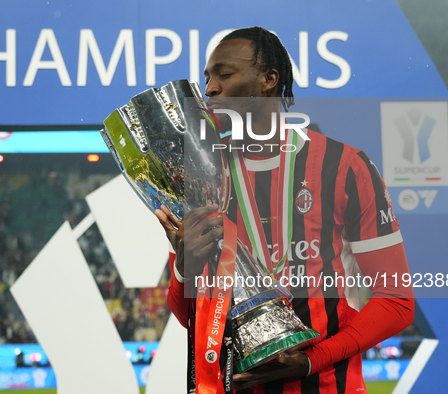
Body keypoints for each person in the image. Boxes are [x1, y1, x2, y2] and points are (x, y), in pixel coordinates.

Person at [156, 26, 414, 393]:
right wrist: (185, 266)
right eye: (207, 78)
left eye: (224, 74)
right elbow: (190, 319)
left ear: (268, 80)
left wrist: (313, 360)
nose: (210, 89)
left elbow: (396, 300)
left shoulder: (345, 166)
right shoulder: (199, 178)